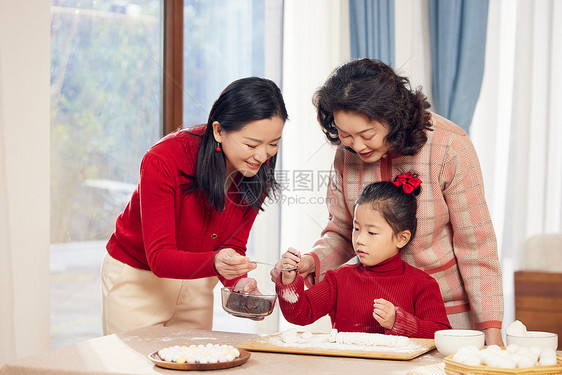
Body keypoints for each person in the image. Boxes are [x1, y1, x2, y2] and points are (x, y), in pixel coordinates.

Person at [272, 59, 504, 345]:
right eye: (346, 136)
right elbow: (342, 230)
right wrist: (312, 261)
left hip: (445, 316)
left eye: (366, 135)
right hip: (370, 312)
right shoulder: (347, 156)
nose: (356, 147)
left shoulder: (449, 145)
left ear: (393, 119)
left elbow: (476, 244)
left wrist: (491, 332)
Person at [102, 77, 288, 334]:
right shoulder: (163, 159)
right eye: (251, 144)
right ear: (219, 130)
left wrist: (239, 282)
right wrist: (216, 262)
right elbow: (159, 257)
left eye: (273, 144)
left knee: (195, 365)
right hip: (139, 280)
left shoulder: (258, 169)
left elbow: (231, 244)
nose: (262, 155)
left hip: (198, 281)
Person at [275, 175, 451, 338]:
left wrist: (398, 322)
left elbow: (441, 332)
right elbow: (300, 314)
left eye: (372, 232)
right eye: (356, 229)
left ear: (401, 238)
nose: (360, 240)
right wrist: (289, 280)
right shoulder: (339, 279)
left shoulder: (422, 284)